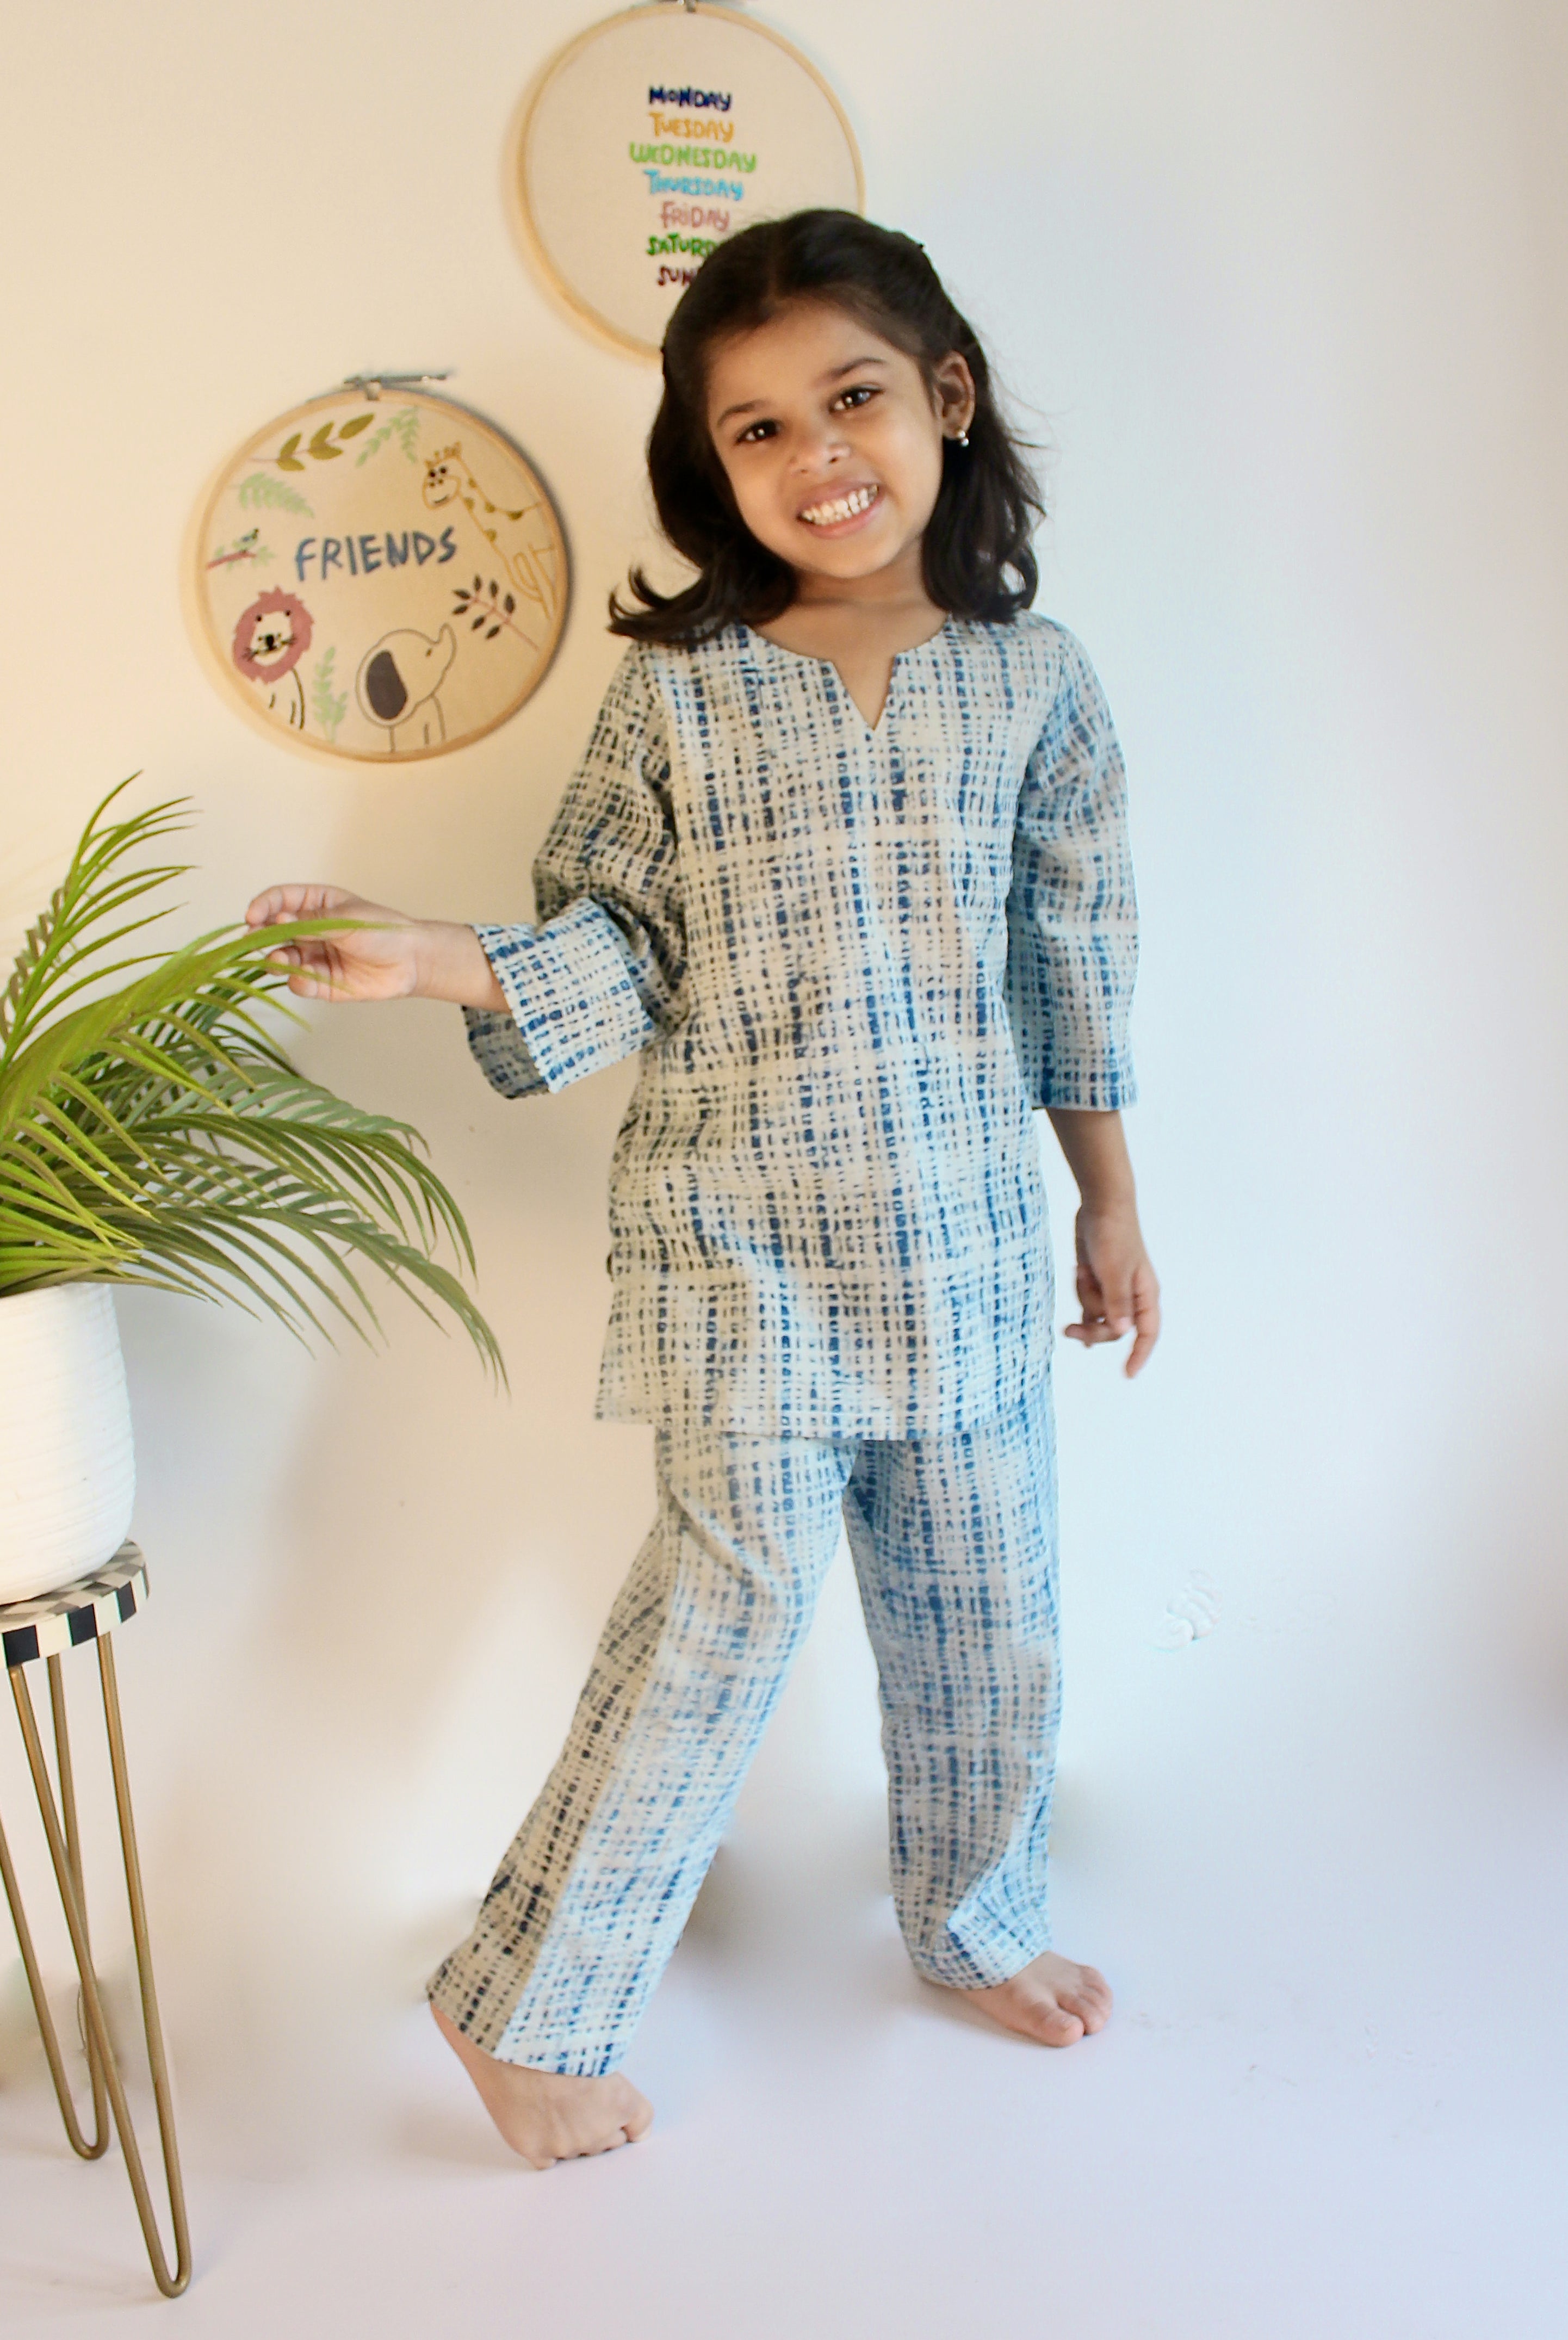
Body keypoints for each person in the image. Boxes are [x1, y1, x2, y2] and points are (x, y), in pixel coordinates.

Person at [247, 210, 1160, 2172]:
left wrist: (1108, 1205)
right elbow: (620, 942)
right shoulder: (679, 693)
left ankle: (978, 1921)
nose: (815, 454)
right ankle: (525, 2002)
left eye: (851, 398)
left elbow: (1072, 962)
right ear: (711, 463)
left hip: (968, 1243)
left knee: (989, 1614)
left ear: (945, 397)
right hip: (741, 1246)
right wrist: (434, 958)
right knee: (716, 1626)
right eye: (756, 429)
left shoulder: (1038, 685)